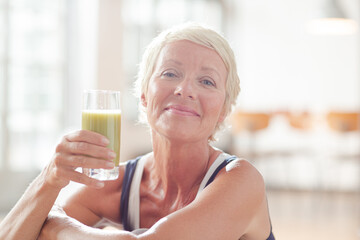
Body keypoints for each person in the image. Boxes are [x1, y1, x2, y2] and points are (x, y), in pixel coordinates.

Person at [0, 23, 275, 240]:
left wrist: (53, 226)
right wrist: (49, 180)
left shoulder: (241, 181)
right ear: (144, 95)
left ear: (223, 111)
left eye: (206, 81)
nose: (185, 90)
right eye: (170, 73)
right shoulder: (117, 184)